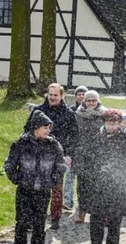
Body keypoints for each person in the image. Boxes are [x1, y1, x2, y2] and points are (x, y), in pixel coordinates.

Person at [5, 110, 66, 244]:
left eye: (49, 128)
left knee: (39, 224)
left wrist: (52, 180)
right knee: (22, 224)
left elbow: (61, 166)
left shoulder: (53, 145)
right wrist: (18, 179)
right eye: (45, 128)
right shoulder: (20, 144)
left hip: (43, 191)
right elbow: (10, 164)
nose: (48, 131)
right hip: (25, 191)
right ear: (36, 127)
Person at [89, 110, 126, 244]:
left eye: (114, 123)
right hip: (99, 188)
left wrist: (120, 173)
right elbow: (89, 161)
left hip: (117, 189)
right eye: (109, 123)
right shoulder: (97, 140)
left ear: (119, 124)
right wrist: (97, 172)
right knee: (96, 224)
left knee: (114, 225)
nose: (111, 126)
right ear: (104, 123)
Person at [24, 83, 78, 231]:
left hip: (57, 156)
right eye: (50, 94)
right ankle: (32, 219)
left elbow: (74, 136)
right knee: (34, 189)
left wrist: (69, 154)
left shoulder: (68, 114)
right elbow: (27, 129)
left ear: (62, 96)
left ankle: (55, 218)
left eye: (56, 95)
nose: (52, 98)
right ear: (47, 94)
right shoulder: (38, 111)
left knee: (56, 189)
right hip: (37, 155)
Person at [72, 90, 106, 223]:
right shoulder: (78, 115)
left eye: (93, 100)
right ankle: (81, 210)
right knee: (82, 185)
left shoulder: (104, 114)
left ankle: (99, 212)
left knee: (99, 184)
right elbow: (74, 133)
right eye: (88, 100)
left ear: (98, 101)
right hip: (82, 154)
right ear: (84, 101)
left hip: (98, 155)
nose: (91, 103)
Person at [64, 85, 88, 210]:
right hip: (72, 148)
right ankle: (67, 201)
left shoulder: (90, 111)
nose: (81, 96)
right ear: (75, 96)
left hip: (85, 149)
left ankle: (82, 202)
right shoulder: (70, 111)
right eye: (79, 94)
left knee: (83, 179)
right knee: (69, 175)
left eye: (83, 94)